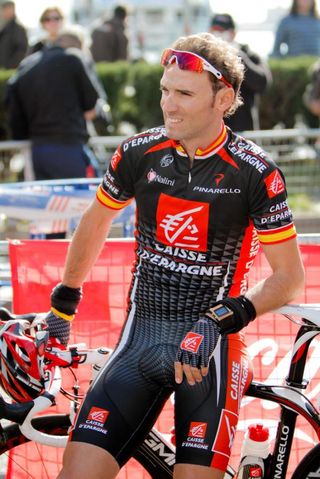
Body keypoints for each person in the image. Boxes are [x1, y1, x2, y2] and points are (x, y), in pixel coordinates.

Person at [45, 32, 305, 479]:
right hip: (139, 342)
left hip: (210, 352)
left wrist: (216, 320)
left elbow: (288, 279)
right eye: (165, 90)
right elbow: (96, 221)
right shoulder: (138, 152)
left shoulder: (255, 172)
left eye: (184, 93)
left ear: (224, 99)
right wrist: (63, 301)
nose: (169, 104)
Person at [6, 29, 103, 180]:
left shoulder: (27, 65)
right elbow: (91, 101)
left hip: (37, 149)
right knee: (85, 198)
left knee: (49, 201)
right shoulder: (72, 58)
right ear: (79, 47)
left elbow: (13, 106)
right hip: (69, 145)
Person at [210, 13, 272, 131]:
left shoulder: (249, 55)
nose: (218, 34)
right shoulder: (204, 59)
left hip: (244, 133)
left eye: (223, 31)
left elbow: (263, 83)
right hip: (212, 134)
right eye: (215, 30)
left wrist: (237, 57)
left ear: (233, 33)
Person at [0, 0, 27, 69]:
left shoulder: (18, 29)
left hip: (11, 70)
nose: (7, 11)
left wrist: (9, 66)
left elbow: (22, 50)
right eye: (4, 9)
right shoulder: (3, 28)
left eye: (9, 8)